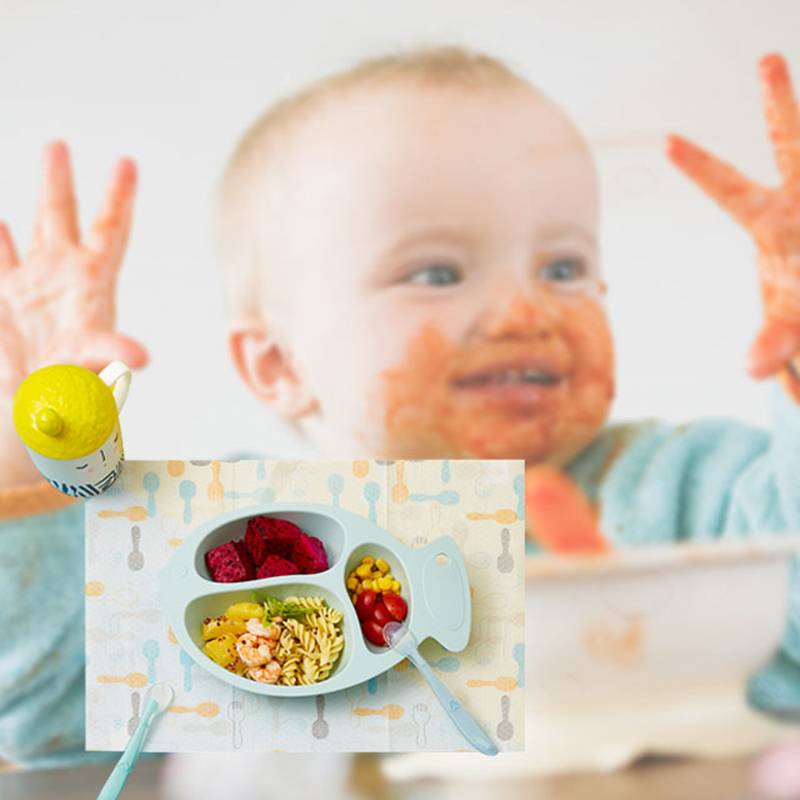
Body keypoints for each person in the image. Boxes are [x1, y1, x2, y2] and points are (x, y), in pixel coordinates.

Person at [0, 45, 797, 775]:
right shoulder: (234, 543)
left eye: (563, 265)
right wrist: (29, 432)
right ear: (280, 365)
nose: (526, 310)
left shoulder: (695, 492)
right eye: (439, 274)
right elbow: (47, 707)